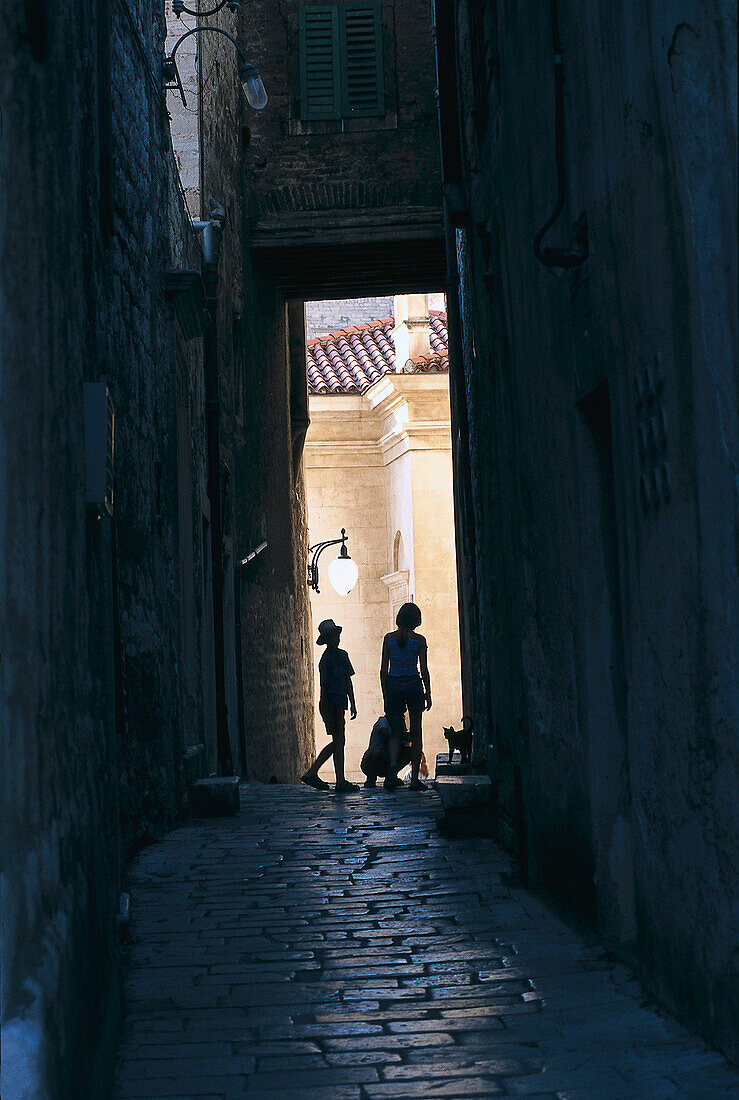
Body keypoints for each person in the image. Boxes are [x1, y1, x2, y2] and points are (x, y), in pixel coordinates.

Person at [302, 619, 359, 793]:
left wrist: (353, 702)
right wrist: (325, 708)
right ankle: (316, 773)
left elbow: (348, 681)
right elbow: (324, 687)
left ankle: (339, 779)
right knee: (338, 742)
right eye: (333, 636)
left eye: (337, 635)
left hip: (340, 703)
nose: (337, 638)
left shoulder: (343, 655)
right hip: (331, 703)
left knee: (338, 742)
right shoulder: (325, 660)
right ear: (326, 639)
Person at [380, 601, 432, 791]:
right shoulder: (419, 641)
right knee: (416, 732)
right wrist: (428, 692)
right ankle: (414, 780)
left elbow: (383, 669)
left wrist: (385, 694)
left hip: (394, 685)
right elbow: (423, 670)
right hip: (413, 685)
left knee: (395, 734)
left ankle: (391, 775)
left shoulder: (389, 639)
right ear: (416, 620)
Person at [360, 714, 413, 788]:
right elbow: (384, 734)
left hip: (389, 761)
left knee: (408, 752)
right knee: (375, 753)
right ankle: (371, 779)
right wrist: (399, 737)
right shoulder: (383, 721)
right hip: (375, 760)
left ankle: (392, 776)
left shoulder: (400, 724)